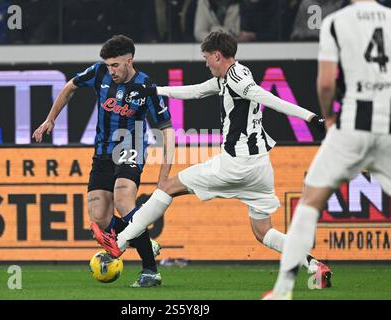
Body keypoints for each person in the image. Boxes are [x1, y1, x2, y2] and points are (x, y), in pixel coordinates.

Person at [91, 31, 333, 286]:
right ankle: (315, 266)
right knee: (263, 232)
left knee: (167, 187)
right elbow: (195, 91)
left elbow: (268, 98)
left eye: (207, 58)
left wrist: (312, 118)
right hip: (260, 168)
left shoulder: (238, 81)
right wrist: (154, 90)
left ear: (217, 55)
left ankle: (119, 243)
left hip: (235, 164)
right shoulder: (231, 76)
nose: (206, 63)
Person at [265, 0, 391, 299]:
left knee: (309, 202)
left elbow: (325, 84)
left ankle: (282, 291)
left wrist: (330, 118)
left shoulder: (337, 21)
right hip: (387, 127)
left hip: (352, 125)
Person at [32, 35, 174, 288]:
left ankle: (150, 271)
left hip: (130, 147)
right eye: (108, 65)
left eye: (116, 65)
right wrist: (50, 119)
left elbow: (167, 129)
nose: (111, 70)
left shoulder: (146, 87)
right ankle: (142, 240)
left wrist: (165, 173)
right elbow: (70, 87)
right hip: (102, 152)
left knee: (122, 198)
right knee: (99, 216)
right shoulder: (99, 73)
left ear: (129, 61)